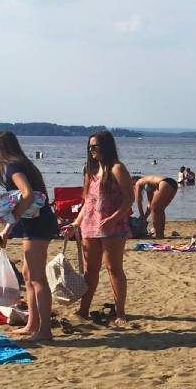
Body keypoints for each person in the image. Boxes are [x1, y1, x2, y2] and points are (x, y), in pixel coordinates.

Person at [63, 131, 134, 328]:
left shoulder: (117, 169)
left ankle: (120, 313)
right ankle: (83, 309)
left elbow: (129, 199)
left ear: (106, 147)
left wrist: (113, 218)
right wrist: (76, 223)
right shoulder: (91, 171)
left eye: (95, 146)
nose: (91, 150)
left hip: (113, 227)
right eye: (89, 147)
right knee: (90, 270)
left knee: (114, 269)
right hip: (90, 226)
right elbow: (87, 202)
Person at [0, 131, 58, 341]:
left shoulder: (13, 167)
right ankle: (33, 324)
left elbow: (27, 194)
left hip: (37, 225)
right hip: (38, 222)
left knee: (37, 279)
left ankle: (44, 330)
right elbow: (25, 199)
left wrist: (12, 218)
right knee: (28, 275)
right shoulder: (25, 164)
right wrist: (7, 229)